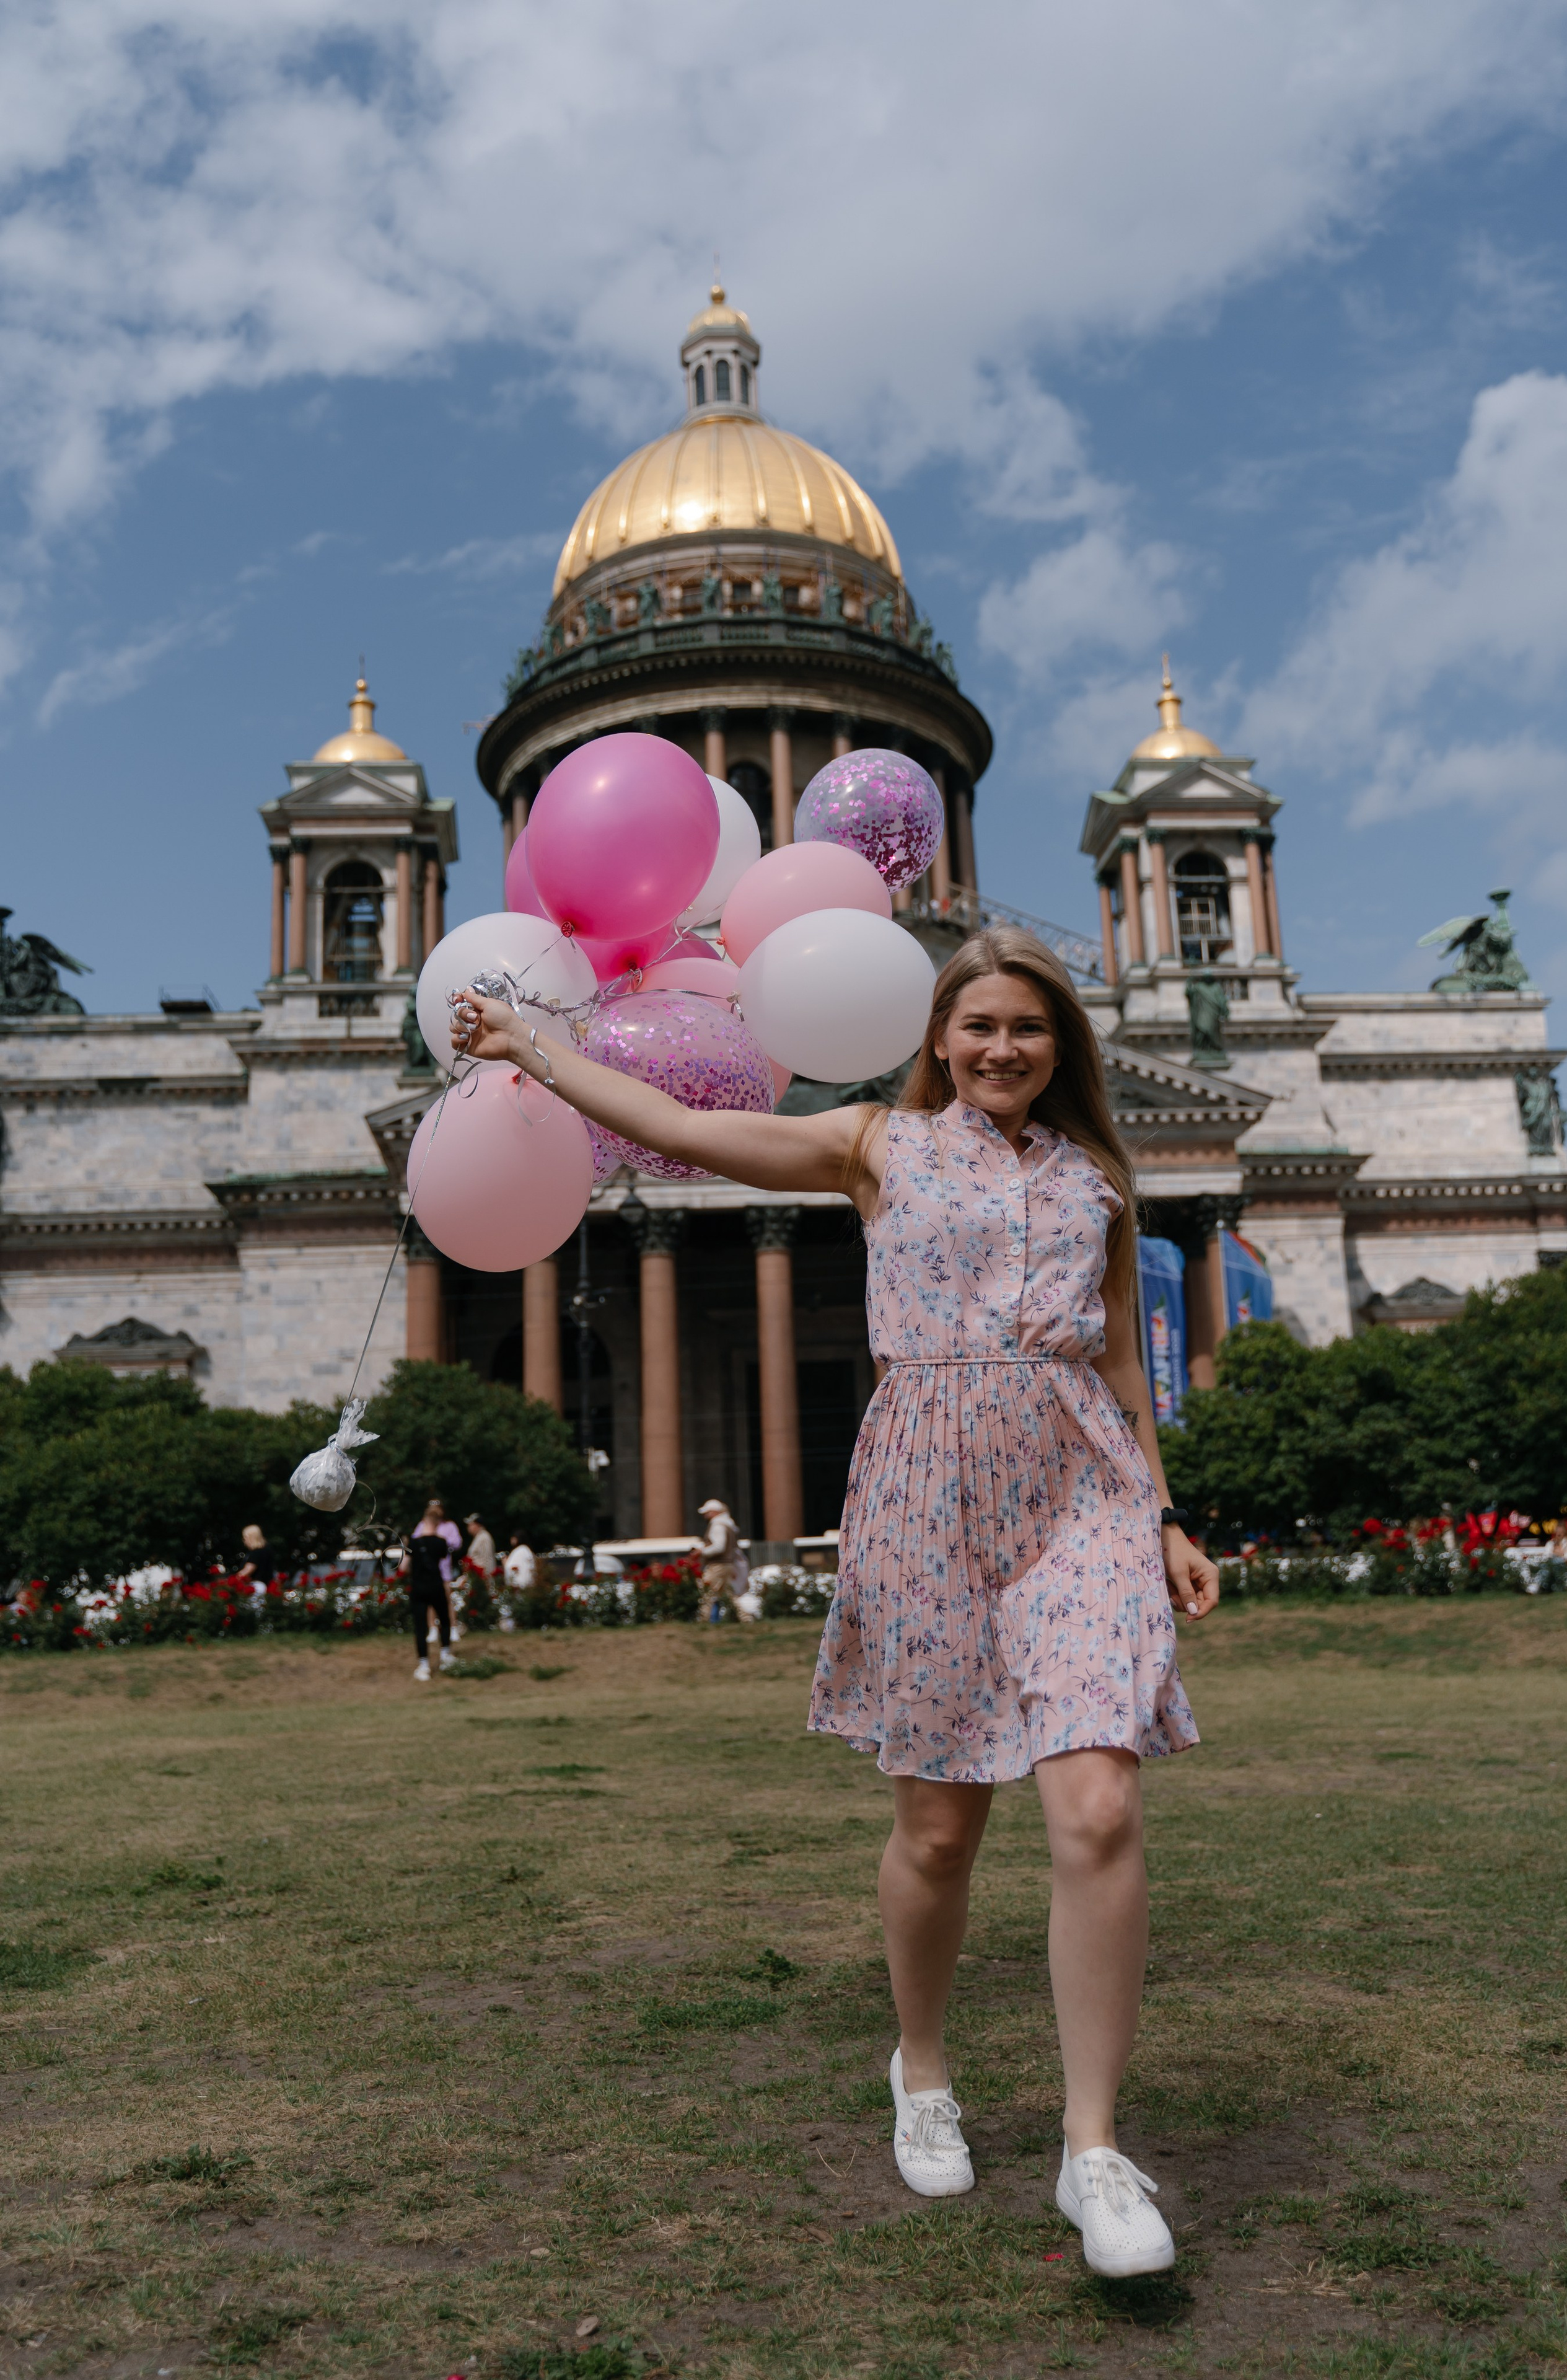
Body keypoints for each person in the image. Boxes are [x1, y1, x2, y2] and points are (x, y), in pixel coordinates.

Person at [453, 925, 1219, 2278]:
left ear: (1061, 1049)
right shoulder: (871, 1145)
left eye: (1027, 1030)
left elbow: (1119, 1367)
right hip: (925, 1490)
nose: (1000, 1049)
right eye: (977, 1027)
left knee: (1096, 1804)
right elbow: (678, 1123)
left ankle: (1091, 2150)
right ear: (938, 1037)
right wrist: (533, 1046)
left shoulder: (1096, 1174)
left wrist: (1158, 1512)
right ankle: (919, 2065)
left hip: (1080, 1495)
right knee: (936, 1833)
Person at [402, 1499, 460, 1681]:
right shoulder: (441, 1543)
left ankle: (424, 1665)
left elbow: (404, 1568)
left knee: (420, 1627)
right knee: (444, 1618)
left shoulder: (413, 1542)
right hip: (436, 1584)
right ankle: (445, 1655)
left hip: (419, 1587)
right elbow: (444, 1555)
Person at [697, 1497, 743, 1622]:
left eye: (707, 1512)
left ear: (714, 1512)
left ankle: (703, 1620)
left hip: (718, 1565)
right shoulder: (728, 1525)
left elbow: (719, 1547)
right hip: (727, 1564)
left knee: (707, 1593)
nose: (705, 1515)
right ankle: (746, 1618)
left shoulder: (718, 1525)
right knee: (729, 1594)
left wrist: (703, 1551)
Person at [237, 1523, 274, 1590]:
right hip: (265, 1586)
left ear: (250, 1538)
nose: (244, 1541)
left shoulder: (256, 1553)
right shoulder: (267, 1550)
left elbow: (248, 1570)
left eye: (245, 1538)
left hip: (255, 1586)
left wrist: (234, 1579)